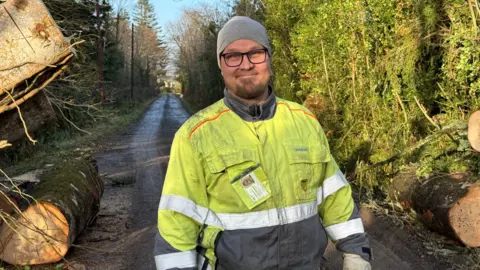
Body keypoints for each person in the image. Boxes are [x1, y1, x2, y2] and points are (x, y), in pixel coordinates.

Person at [154, 16, 372, 270]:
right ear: (221, 65)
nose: (246, 65)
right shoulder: (195, 136)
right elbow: (177, 225)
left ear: (268, 58)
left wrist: (356, 252)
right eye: (233, 56)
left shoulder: (304, 122)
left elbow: (335, 196)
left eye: (255, 53)